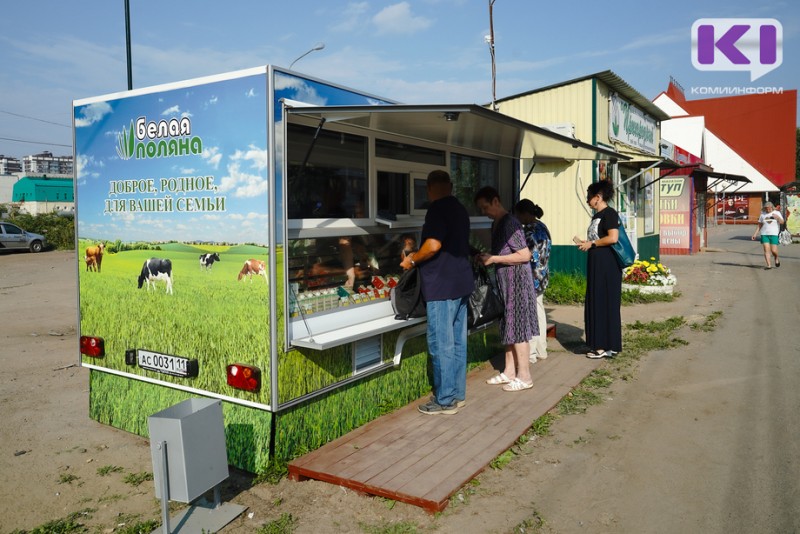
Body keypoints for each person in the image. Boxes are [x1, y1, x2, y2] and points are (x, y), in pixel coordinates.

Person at [400, 170, 473, 415]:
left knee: (441, 344)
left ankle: (444, 400)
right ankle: (457, 395)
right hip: (461, 283)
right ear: (450, 186)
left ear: (429, 188)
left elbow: (433, 245)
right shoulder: (459, 208)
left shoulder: (437, 209)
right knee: (457, 342)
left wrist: (412, 259)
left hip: (442, 286)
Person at [474, 187, 538, 392]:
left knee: (518, 328)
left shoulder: (510, 223)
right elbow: (503, 252)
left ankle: (525, 376)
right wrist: (488, 256)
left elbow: (524, 255)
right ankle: (510, 372)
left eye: (485, 207)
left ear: (496, 201)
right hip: (505, 283)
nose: (484, 212)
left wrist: (494, 259)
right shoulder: (498, 223)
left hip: (518, 282)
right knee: (508, 327)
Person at [575, 180, 622, 358]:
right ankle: (603, 344)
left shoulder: (609, 213)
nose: (588, 201)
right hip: (596, 263)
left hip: (607, 265)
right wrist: (585, 243)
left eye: (589, 198)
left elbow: (613, 238)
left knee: (605, 303)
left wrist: (592, 243)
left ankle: (604, 346)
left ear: (598, 197)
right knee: (597, 302)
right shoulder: (597, 216)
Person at [513, 199, 551, 364]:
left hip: (530, 277)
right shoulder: (543, 227)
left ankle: (531, 353)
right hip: (543, 276)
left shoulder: (527, 232)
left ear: (525, 214)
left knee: (530, 316)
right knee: (539, 312)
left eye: (518, 215)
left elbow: (524, 255)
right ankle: (542, 349)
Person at [752, 201, 784, 269]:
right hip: (764, 234)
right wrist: (755, 234)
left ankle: (776, 258)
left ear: (772, 207)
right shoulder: (762, 214)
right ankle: (768, 265)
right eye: (766, 208)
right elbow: (759, 225)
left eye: (769, 208)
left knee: (774, 251)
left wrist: (777, 217)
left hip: (774, 234)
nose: (768, 209)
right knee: (766, 250)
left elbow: (782, 222)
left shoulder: (776, 213)